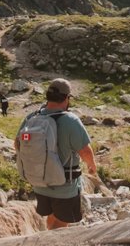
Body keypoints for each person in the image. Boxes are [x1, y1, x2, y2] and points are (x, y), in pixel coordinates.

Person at [14, 78, 97, 229]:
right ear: (67, 98)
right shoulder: (70, 120)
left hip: (39, 182)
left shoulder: (32, 117)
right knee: (61, 223)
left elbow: (17, 143)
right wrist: (92, 166)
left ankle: (46, 241)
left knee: (51, 217)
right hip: (64, 186)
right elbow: (85, 151)